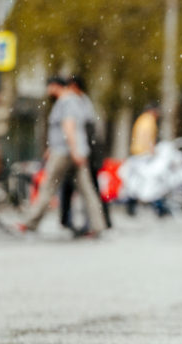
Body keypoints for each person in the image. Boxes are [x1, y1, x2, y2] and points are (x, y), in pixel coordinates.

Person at [18, 76, 106, 235]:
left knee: (48, 187)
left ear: (55, 86)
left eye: (49, 87)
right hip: (72, 151)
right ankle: (98, 226)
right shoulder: (76, 101)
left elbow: (69, 127)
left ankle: (30, 223)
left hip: (65, 152)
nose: (47, 91)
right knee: (87, 190)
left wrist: (73, 151)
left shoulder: (66, 102)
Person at [59, 75, 112, 233]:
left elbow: (81, 130)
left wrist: (79, 151)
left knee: (88, 188)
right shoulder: (83, 102)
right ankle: (95, 222)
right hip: (85, 152)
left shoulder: (78, 103)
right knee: (84, 188)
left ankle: (97, 221)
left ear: (74, 86)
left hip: (85, 153)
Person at [126, 104, 170, 217]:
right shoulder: (149, 121)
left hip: (137, 152)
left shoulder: (141, 119)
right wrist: (151, 149)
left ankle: (132, 206)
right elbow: (147, 136)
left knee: (137, 182)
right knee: (150, 181)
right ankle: (158, 207)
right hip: (144, 154)